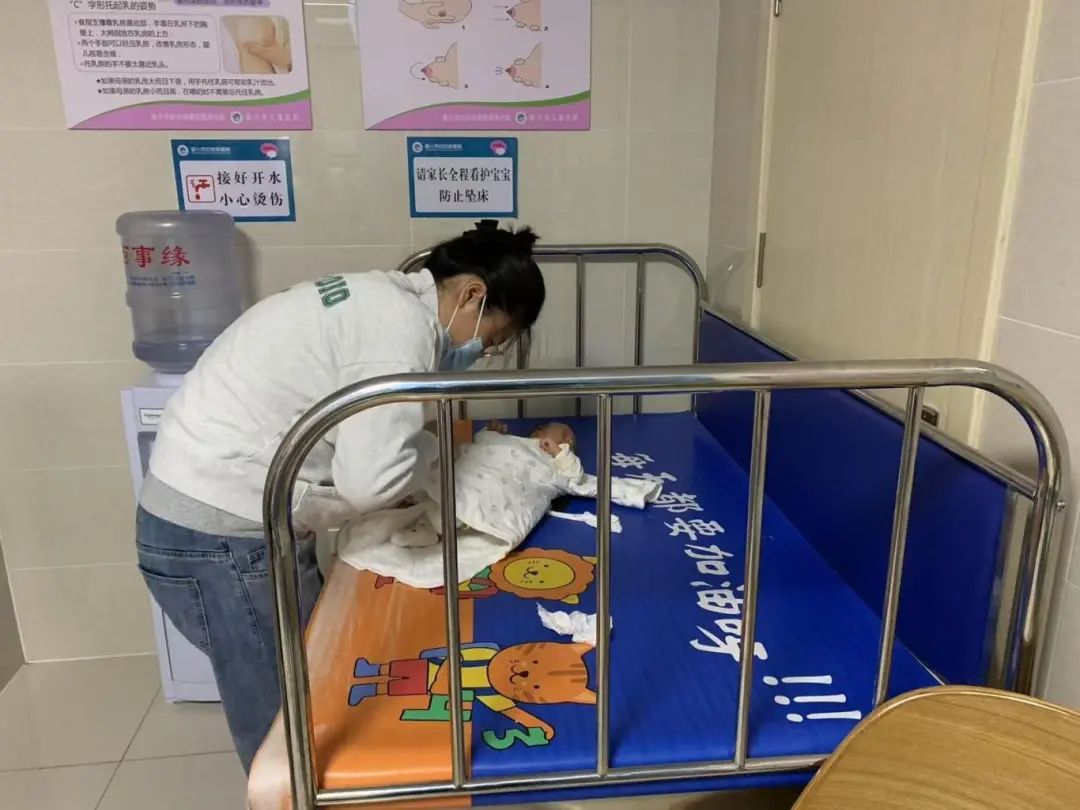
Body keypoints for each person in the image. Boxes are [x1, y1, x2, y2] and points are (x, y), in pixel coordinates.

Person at [134, 222, 546, 771]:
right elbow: (371, 482)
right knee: (288, 727)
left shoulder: (378, 297)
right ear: (472, 293)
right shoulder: (400, 328)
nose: (482, 352)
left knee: (307, 688)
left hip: (200, 513)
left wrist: (425, 459)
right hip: (221, 534)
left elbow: (368, 444)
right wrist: (429, 467)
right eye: (492, 338)